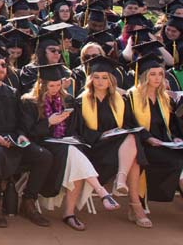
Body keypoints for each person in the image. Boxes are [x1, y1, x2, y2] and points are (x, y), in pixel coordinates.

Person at [19, 62, 119, 232]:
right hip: (42, 144)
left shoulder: (68, 100)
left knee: (74, 151)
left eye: (58, 85)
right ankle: (94, 197)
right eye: (51, 85)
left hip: (64, 144)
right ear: (41, 84)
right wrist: (49, 122)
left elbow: (74, 129)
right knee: (73, 153)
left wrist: (70, 136)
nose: (55, 89)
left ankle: (74, 210)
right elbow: (29, 132)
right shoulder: (29, 102)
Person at [0, 43, 53, 227]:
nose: (0, 69)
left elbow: (21, 122)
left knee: (43, 156)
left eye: (3, 65)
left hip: (12, 140)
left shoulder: (13, 93)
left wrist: (21, 135)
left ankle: (29, 202)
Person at [72, 56, 149, 227]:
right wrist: (101, 134)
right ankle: (135, 205)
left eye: (104, 78)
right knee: (133, 153)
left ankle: (125, 186)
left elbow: (130, 125)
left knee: (131, 138)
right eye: (96, 77)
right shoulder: (81, 101)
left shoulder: (120, 100)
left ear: (111, 80)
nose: (100, 82)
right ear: (90, 78)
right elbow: (78, 131)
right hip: (94, 149)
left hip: (117, 149)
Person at [127, 52, 183, 214]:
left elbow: (172, 124)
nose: (157, 78)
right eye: (152, 74)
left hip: (164, 143)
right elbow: (130, 123)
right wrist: (148, 138)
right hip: (143, 145)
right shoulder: (132, 96)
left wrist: (176, 137)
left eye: (160, 74)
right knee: (177, 163)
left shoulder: (165, 98)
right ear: (144, 76)